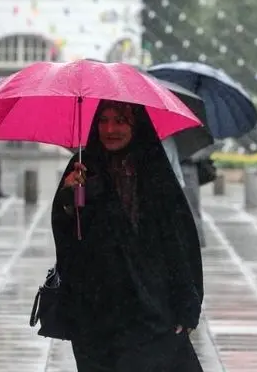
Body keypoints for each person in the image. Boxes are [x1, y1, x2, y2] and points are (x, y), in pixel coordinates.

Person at [52, 100, 204, 371]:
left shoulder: (154, 170)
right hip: (96, 311)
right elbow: (68, 236)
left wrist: (187, 303)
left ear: (137, 126)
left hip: (151, 307)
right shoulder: (82, 169)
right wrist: (69, 198)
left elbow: (177, 241)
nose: (110, 129)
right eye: (103, 120)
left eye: (120, 121)